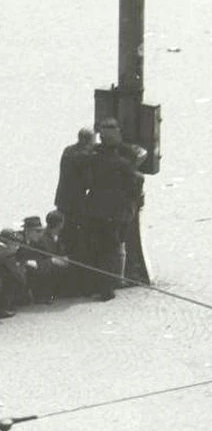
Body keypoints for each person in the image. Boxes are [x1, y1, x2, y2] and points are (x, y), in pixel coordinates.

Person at [85, 118, 144, 301]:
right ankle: (109, 286)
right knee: (113, 248)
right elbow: (135, 182)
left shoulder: (93, 158)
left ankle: (96, 285)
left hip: (95, 209)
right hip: (116, 212)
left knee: (97, 248)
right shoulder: (123, 164)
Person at [54, 127, 95, 260]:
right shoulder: (84, 156)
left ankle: (60, 251)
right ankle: (71, 256)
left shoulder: (68, 150)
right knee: (73, 230)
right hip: (76, 201)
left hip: (62, 196)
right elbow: (89, 181)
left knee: (62, 227)